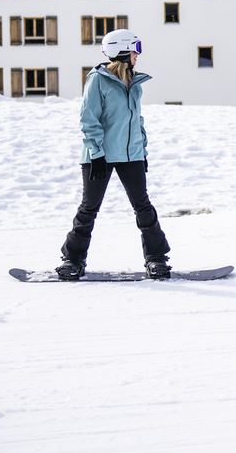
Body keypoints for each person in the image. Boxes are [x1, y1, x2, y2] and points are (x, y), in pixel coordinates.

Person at [55, 29, 171, 281]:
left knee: (143, 207)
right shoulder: (98, 80)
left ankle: (156, 259)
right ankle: (73, 260)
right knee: (89, 208)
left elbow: (137, 120)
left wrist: (142, 150)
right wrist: (96, 154)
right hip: (100, 156)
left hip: (132, 155)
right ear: (122, 51)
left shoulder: (135, 83)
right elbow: (89, 119)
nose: (138, 55)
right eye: (135, 49)